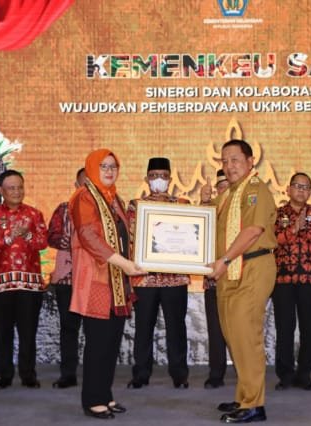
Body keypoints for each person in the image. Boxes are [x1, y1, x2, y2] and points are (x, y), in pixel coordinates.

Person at [202, 139, 276, 423]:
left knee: (246, 336)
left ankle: (254, 404)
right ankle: (244, 396)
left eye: (235, 160)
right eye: (224, 161)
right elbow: (207, 224)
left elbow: (253, 230)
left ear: (250, 161)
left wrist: (225, 259)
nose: (229, 166)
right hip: (230, 270)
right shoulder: (229, 194)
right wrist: (204, 204)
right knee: (234, 336)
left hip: (251, 267)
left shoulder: (256, 190)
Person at [69, 149, 145, 419]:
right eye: (104, 166)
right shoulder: (84, 197)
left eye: (114, 166)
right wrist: (124, 264)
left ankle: (104, 394)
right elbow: (88, 236)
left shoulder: (114, 199)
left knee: (111, 342)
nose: (110, 171)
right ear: (92, 168)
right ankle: (92, 400)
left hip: (117, 282)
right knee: (98, 342)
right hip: (96, 279)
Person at [0, 170, 48, 389]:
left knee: (28, 332)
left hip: (30, 284)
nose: (17, 192)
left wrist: (26, 234)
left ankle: (28, 375)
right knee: (3, 332)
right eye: (11, 188)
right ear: (1, 190)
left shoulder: (34, 214)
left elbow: (43, 242)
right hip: (2, 285)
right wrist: (8, 237)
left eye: (20, 187)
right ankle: (4, 375)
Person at [127, 157, 191, 389]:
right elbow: (132, 238)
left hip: (176, 278)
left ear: (170, 179)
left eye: (163, 176)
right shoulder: (136, 206)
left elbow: (191, 237)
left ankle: (180, 375)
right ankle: (141, 374)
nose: (158, 180)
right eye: (154, 176)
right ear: (146, 179)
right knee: (143, 328)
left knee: (177, 328)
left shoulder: (183, 205)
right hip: (145, 279)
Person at [272, 172, 311, 391]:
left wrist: (305, 230)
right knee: (284, 329)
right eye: (297, 186)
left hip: (310, 279)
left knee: (308, 329)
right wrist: (294, 228)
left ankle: (305, 375)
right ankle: (285, 375)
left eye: (305, 187)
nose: (301, 190)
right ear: (288, 189)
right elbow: (273, 240)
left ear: (310, 192)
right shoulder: (277, 214)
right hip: (283, 279)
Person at [48, 168, 86, 389]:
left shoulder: (107, 210)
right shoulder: (64, 209)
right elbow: (50, 236)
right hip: (67, 279)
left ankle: (94, 374)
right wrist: (65, 240)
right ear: (76, 185)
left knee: (95, 331)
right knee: (69, 329)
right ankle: (68, 374)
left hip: (93, 280)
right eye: (84, 183)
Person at [202, 169, 230, 389]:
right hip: (213, 281)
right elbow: (196, 233)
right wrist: (204, 203)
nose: (225, 191)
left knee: (241, 330)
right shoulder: (209, 210)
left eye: (229, 187)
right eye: (221, 187)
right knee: (215, 330)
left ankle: (245, 373)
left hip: (239, 280)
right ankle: (216, 374)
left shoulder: (244, 211)